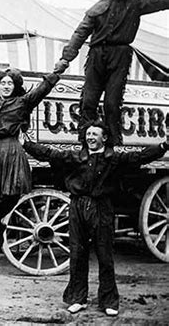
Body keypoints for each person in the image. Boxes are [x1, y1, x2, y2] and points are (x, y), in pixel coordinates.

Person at [23, 120, 168, 317]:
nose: (90, 137)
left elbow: (140, 157)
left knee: (105, 256)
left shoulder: (113, 159)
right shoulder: (75, 156)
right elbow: (49, 154)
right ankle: (77, 298)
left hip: (102, 207)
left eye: (95, 134)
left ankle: (109, 301)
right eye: (88, 134)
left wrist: (164, 146)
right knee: (77, 254)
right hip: (77, 207)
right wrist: (26, 144)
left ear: (104, 138)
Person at [58, 0, 169, 146]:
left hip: (120, 56)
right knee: (89, 100)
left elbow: (160, 1)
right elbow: (80, 33)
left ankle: (114, 144)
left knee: (112, 102)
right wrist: (66, 58)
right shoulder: (95, 10)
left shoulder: (134, 4)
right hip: (96, 56)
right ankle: (85, 143)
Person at [0, 61, 68, 247]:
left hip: (13, 149)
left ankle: (4, 220)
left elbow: (42, 90)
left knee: (13, 192)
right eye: (3, 83)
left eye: (10, 83)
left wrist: (58, 70)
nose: (6, 86)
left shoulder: (23, 102)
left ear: (15, 86)